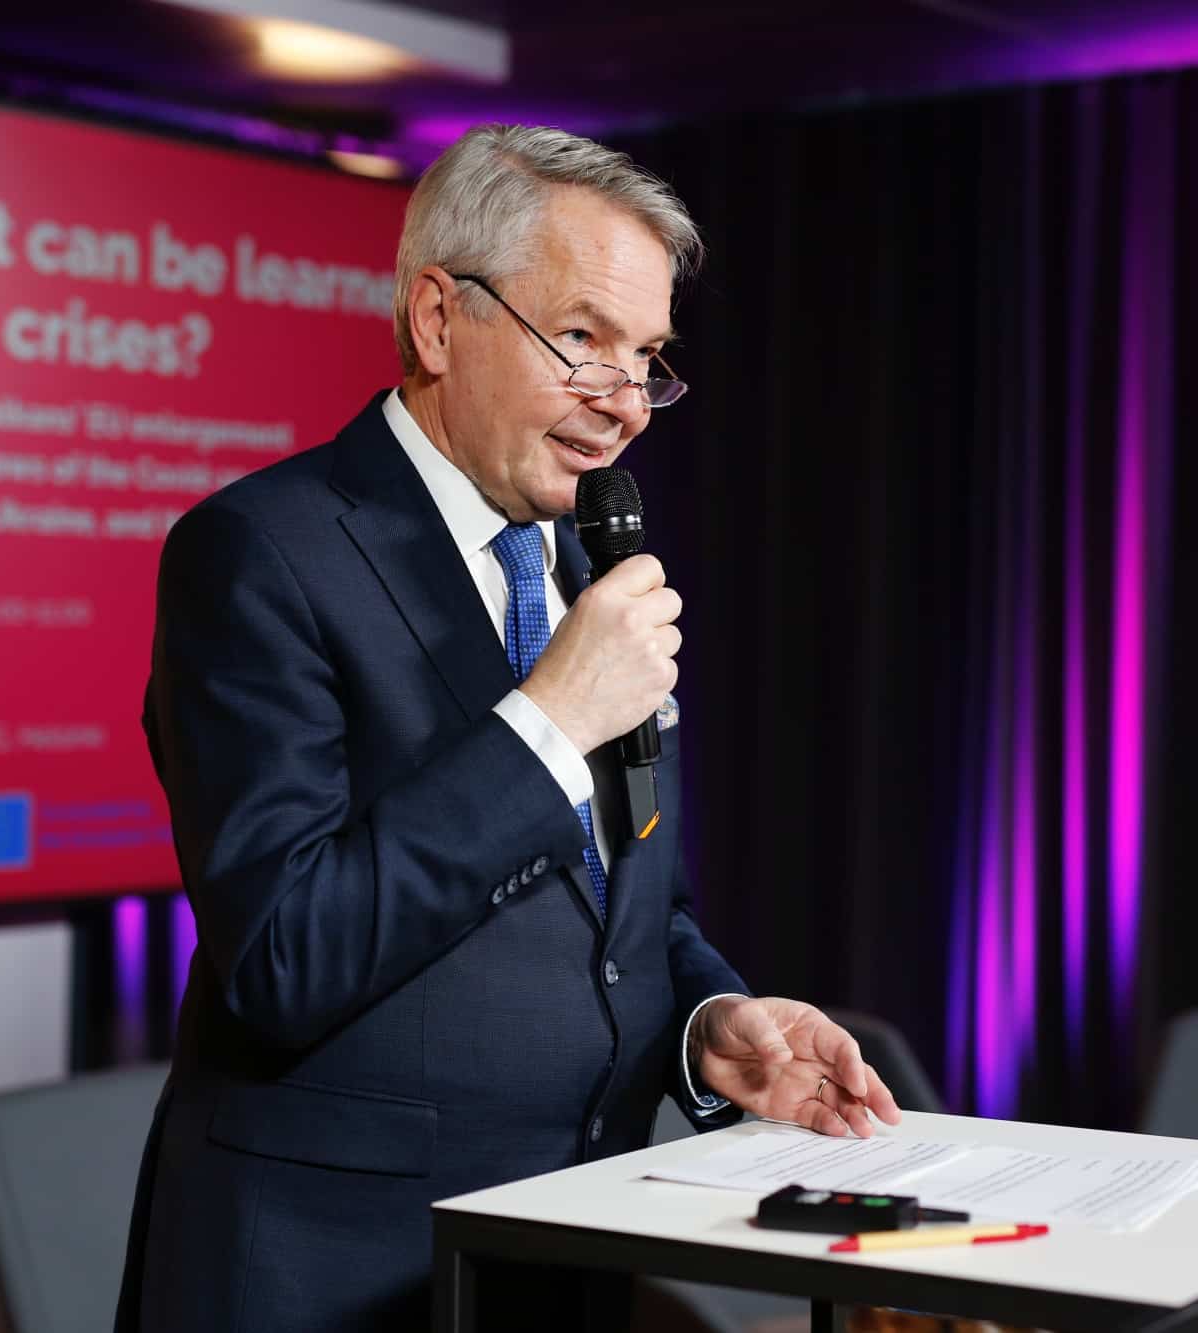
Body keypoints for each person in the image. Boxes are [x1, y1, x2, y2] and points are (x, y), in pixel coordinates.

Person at [114, 125, 902, 1331]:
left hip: (561, 1250)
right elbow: (281, 957)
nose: (624, 403)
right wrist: (550, 718)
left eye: (646, 357)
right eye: (582, 338)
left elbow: (627, 906)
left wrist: (708, 1026)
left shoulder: (585, 563)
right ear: (439, 319)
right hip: (329, 1273)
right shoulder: (260, 553)